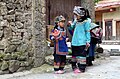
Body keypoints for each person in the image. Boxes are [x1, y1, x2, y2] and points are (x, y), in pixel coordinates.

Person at [68, 6, 91, 73]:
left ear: (81, 15)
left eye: (76, 15)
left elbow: (87, 32)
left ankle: (81, 68)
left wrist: (88, 41)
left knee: (81, 55)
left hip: (82, 42)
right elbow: (72, 27)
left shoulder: (86, 22)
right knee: (74, 55)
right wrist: (70, 24)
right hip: (75, 41)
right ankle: (74, 66)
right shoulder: (76, 20)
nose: (75, 16)